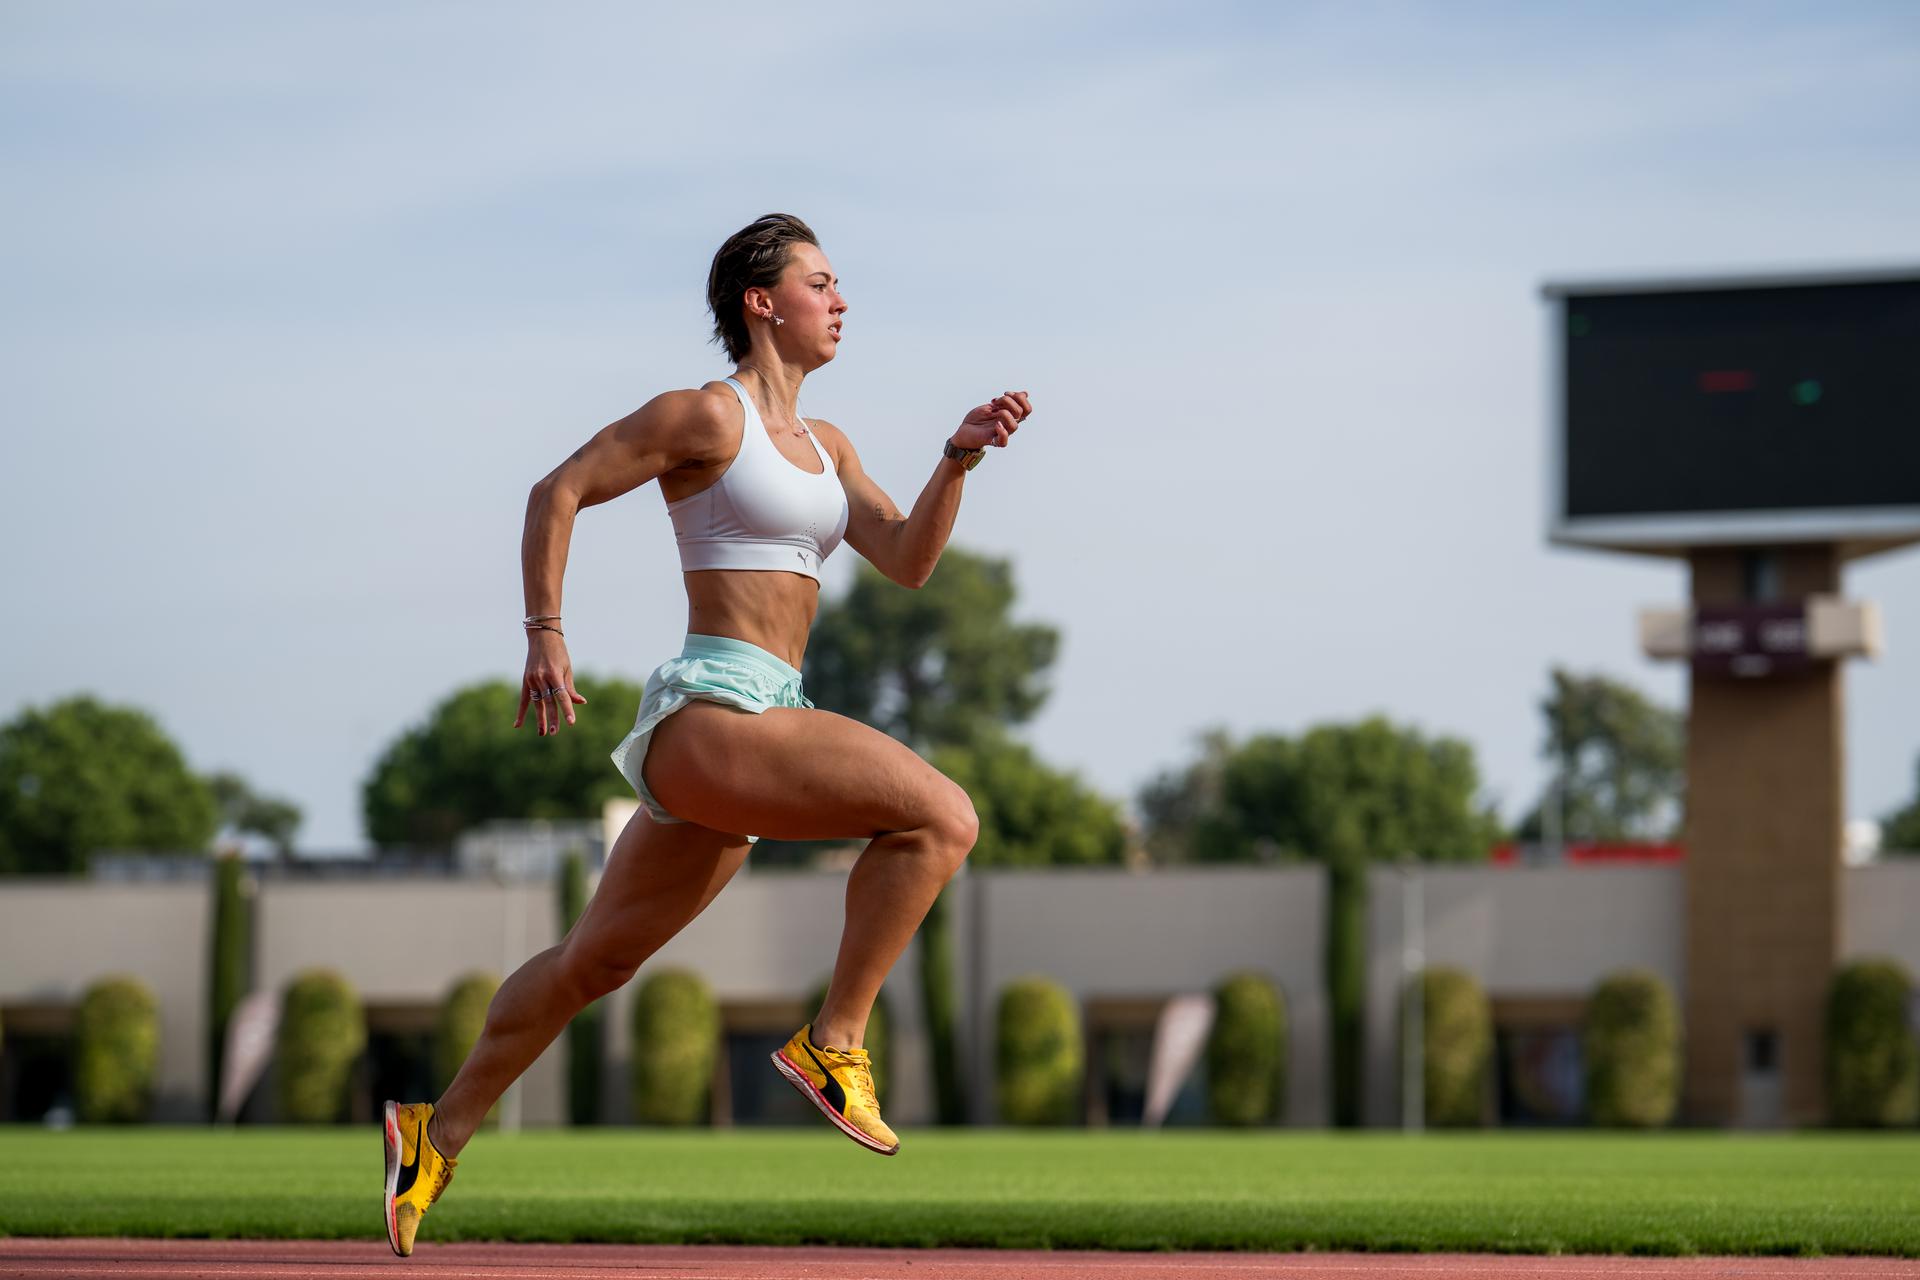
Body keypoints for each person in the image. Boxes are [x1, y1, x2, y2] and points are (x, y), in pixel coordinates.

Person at [381, 213, 1032, 1257]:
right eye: (821, 282)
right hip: (711, 711)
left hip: (770, 717)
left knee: (593, 962)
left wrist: (958, 457)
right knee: (942, 816)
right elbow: (560, 490)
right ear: (761, 302)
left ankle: (435, 1127)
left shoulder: (831, 448)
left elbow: (908, 557)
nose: (842, 300)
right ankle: (835, 1042)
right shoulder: (703, 416)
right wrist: (546, 633)